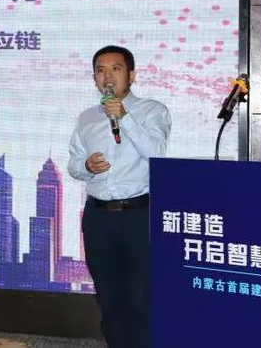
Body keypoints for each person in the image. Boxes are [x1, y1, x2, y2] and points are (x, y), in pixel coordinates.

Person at [68, 45, 171, 348]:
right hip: (98, 218)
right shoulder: (87, 118)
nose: (108, 76)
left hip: (139, 215)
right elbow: (74, 163)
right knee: (109, 298)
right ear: (94, 78)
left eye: (116, 68)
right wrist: (86, 166)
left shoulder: (153, 110)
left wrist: (123, 116)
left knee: (141, 298)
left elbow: (157, 154)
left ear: (132, 75)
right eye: (101, 70)